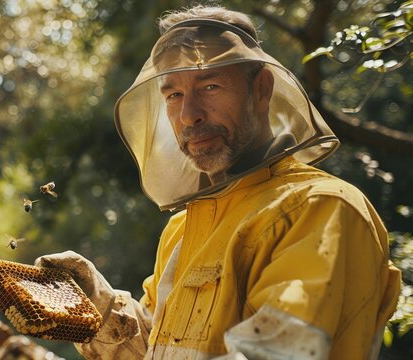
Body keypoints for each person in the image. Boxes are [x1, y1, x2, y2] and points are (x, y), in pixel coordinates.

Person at [35, 5, 402, 359]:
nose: (189, 115)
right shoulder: (184, 228)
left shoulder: (321, 209)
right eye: (174, 95)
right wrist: (99, 311)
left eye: (209, 86)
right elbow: (161, 351)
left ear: (261, 89)